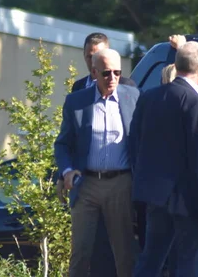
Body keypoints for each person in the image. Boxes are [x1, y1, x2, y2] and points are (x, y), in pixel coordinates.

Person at [130, 41, 198, 277]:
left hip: (156, 198)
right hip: (189, 202)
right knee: (189, 264)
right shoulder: (196, 103)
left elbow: (135, 143)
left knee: (150, 260)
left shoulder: (149, 97)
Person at [55, 48, 140, 277]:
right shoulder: (77, 102)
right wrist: (66, 171)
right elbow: (62, 144)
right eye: (106, 73)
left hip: (120, 183)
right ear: (94, 72)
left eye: (117, 72)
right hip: (87, 184)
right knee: (80, 252)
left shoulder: (132, 97)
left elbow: (145, 139)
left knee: (124, 253)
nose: (112, 78)